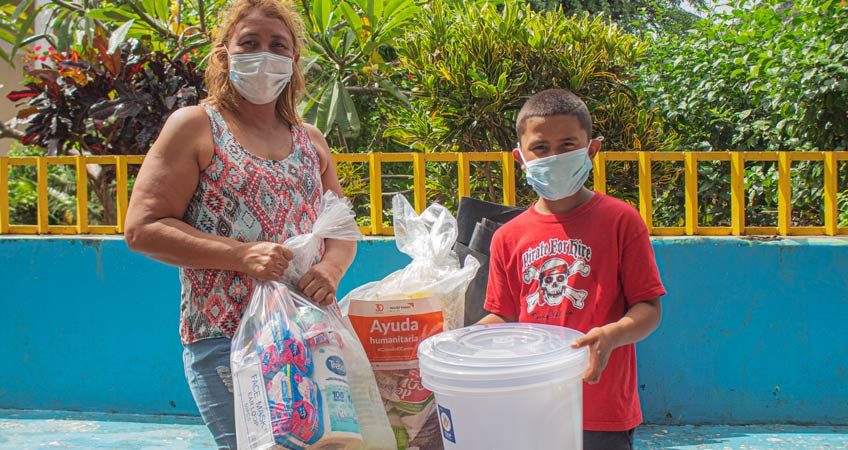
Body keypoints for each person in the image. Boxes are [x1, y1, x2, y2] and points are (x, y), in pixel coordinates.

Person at [124, 0, 355, 447]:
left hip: (311, 333)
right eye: (249, 43)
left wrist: (329, 271)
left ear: (293, 61)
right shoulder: (195, 126)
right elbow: (143, 227)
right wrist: (240, 256)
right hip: (229, 340)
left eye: (278, 45)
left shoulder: (311, 140)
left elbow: (340, 232)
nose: (264, 54)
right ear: (223, 55)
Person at [478, 89, 666, 450]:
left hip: (602, 410)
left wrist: (611, 335)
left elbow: (649, 309)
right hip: (530, 405)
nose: (554, 156)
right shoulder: (507, 237)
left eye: (567, 145)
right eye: (541, 148)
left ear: (591, 149)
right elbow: (502, 316)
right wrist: (458, 341)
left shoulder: (621, 221)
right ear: (520, 157)